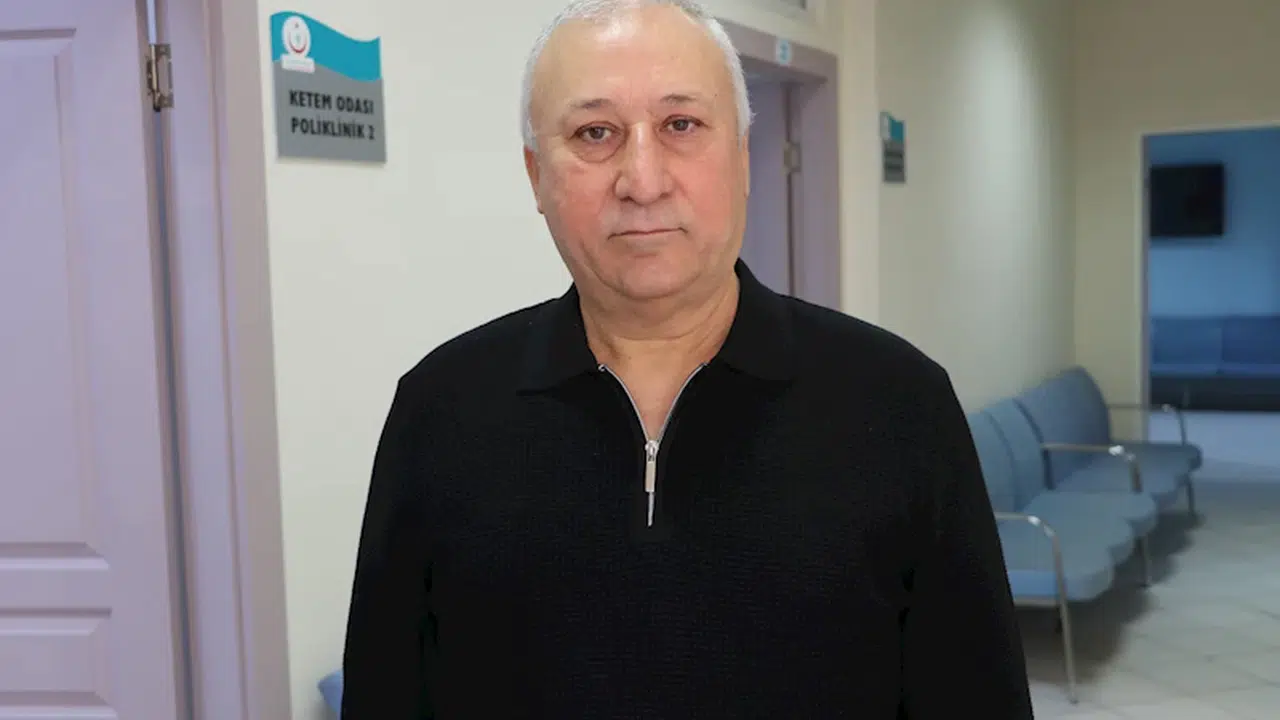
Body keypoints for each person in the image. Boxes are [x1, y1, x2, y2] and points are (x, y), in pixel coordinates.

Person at [340, 0, 1034, 717]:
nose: (643, 181)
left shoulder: (899, 406)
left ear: (742, 157)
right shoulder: (440, 411)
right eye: (595, 133)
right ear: (536, 176)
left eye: (681, 125)